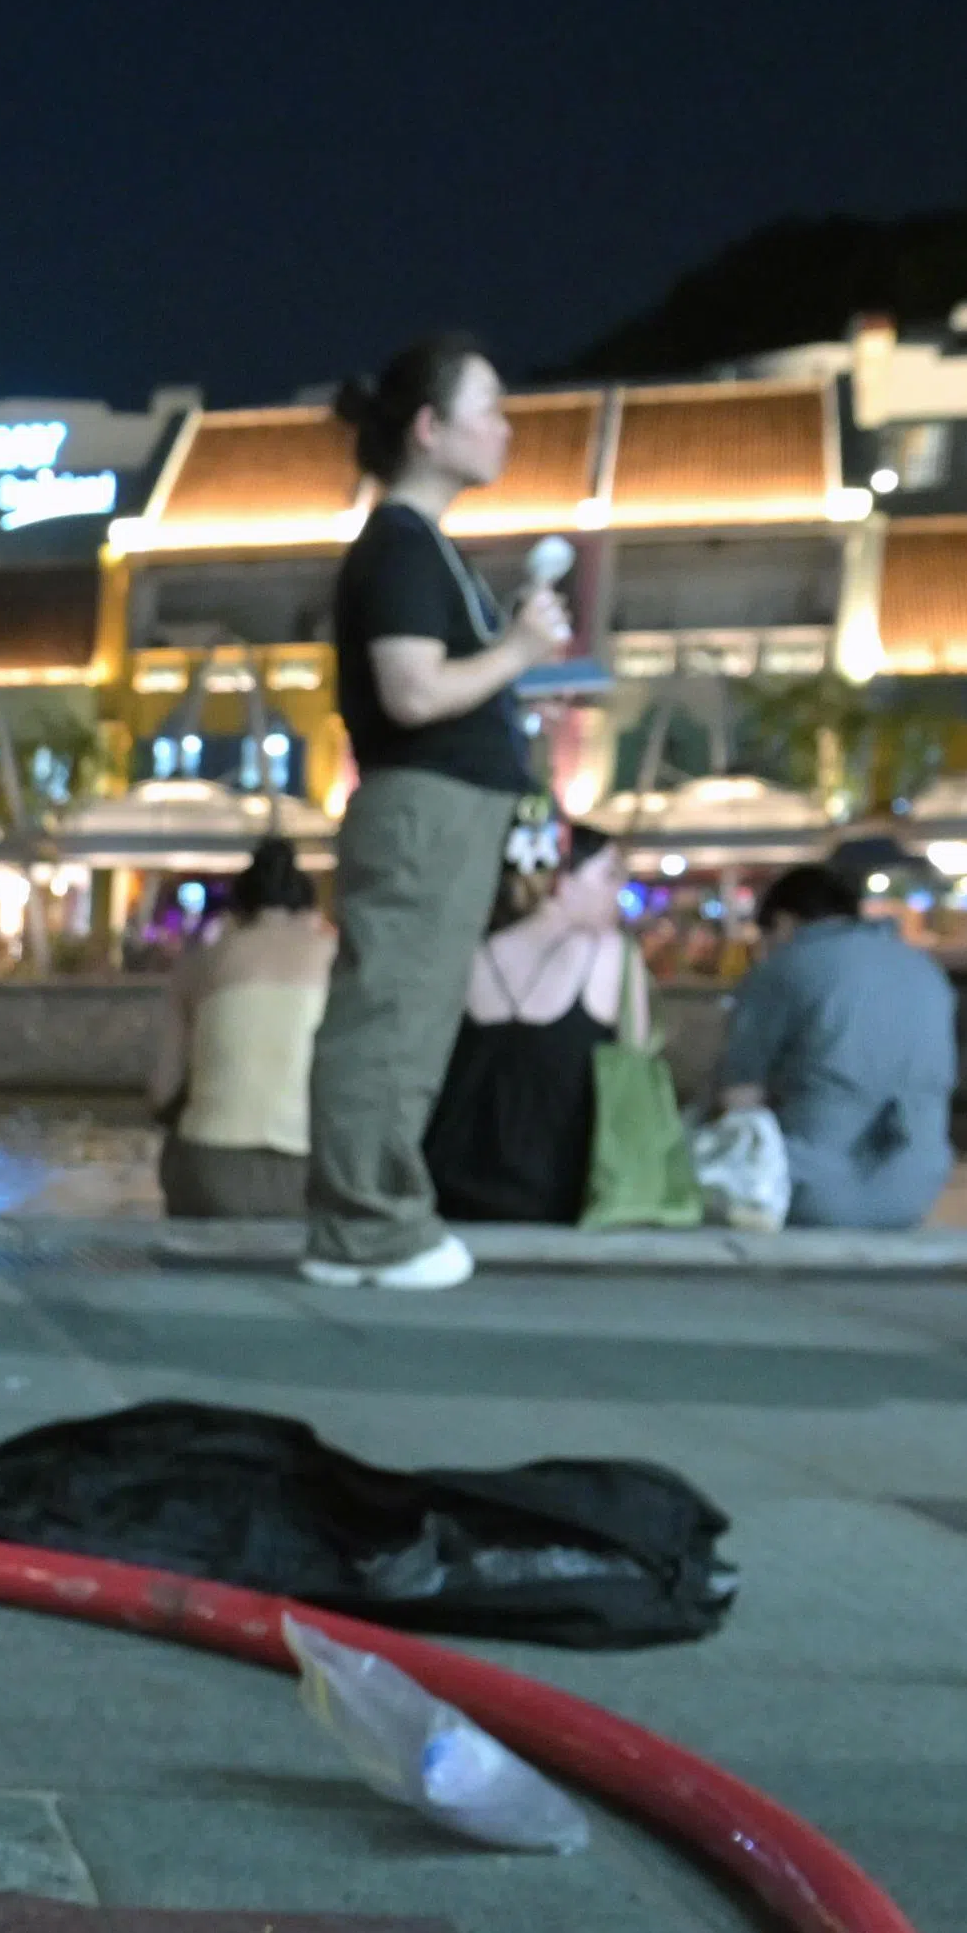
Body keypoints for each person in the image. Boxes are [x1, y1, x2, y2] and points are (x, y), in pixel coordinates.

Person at [301, 333, 572, 1290]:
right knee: (391, 1019)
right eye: (487, 406)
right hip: (426, 805)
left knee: (404, 1017)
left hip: (441, 806)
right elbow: (413, 693)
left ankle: (365, 1223)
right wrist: (518, 652)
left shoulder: (413, 546)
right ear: (429, 428)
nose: (505, 426)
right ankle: (367, 1227)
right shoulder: (400, 546)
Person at [720, 848, 958, 1226]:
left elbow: (737, 1097)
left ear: (782, 923)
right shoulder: (925, 969)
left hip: (807, 1193)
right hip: (916, 1193)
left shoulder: (785, 967)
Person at [421, 840, 649, 1226]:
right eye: (609, 875)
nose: (620, 891)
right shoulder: (608, 952)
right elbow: (638, 1054)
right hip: (560, 1194)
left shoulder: (474, 953)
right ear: (560, 880)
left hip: (450, 1185)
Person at [146, 835, 330, 1219]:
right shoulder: (336, 962)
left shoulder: (199, 966)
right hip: (310, 1172)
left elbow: (161, 1095)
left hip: (209, 1170)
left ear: (236, 913)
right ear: (310, 913)